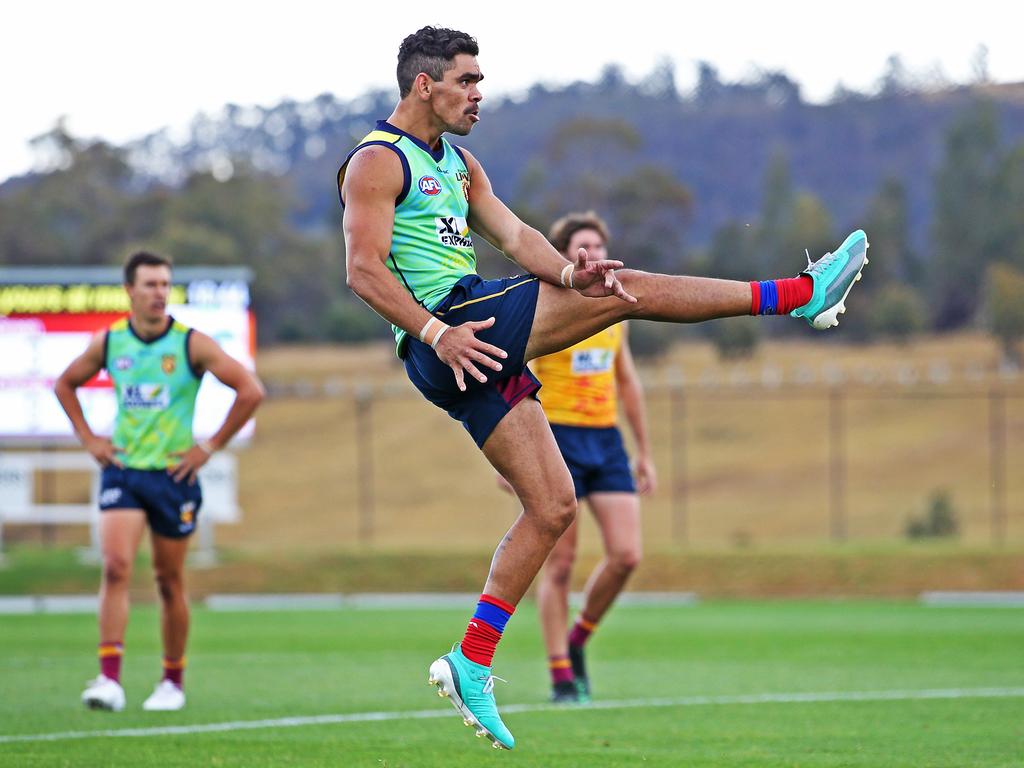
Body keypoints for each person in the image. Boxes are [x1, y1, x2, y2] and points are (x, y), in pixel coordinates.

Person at [338, 26, 868, 750]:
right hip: (451, 327)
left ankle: (470, 661)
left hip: (472, 343)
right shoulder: (375, 161)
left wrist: (566, 275)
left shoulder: (461, 165)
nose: (479, 94)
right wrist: (435, 333)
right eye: (467, 81)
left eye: (480, 81)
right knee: (630, 291)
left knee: (553, 508)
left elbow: (518, 236)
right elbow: (363, 270)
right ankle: (798, 294)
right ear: (424, 84)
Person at [53, 251, 265, 713]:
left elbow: (251, 391)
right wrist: (90, 439)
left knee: (168, 581)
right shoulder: (110, 342)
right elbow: (65, 383)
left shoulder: (191, 344)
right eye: (149, 284)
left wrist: (207, 448)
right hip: (124, 473)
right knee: (115, 568)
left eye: (165, 284)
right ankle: (109, 679)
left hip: (174, 476)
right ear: (130, 290)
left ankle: (172, 681)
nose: (158, 293)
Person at [497, 212, 656, 705]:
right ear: (567, 254)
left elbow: (626, 380)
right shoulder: (551, 304)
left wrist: (644, 451)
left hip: (605, 439)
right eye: (582, 245)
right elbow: (511, 370)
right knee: (560, 565)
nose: (592, 251)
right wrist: (514, 458)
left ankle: (579, 637)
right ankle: (561, 675)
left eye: (599, 244)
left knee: (627, 555)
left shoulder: (616, 307)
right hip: (557, 435)